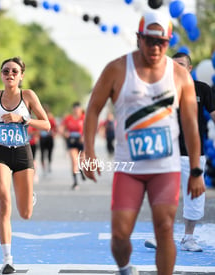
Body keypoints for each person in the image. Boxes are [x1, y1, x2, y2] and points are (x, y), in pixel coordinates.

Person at [82, 11, 205, 275]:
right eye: (150, 41)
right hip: (129, 168)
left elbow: (191, 125)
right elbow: (93, 109)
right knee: (120, 234)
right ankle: (126, 268)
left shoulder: (180, 76)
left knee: (164, 228)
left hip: (166, 167)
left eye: (162, 42)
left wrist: (196, 171)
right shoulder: (117, 69)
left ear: (169, 42)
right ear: (139, 39)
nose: (155, 47)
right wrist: (88, 152)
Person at [0, 56, 50, 274]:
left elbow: (47, 125)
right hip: (1, 152)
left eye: (14, 71)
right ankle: (7, 259)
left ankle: (29, 196)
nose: (10, 75)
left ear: (21, 75)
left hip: (23, 153)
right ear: (1, 74)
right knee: (3, 201)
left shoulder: (29, 95)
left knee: (25, 213)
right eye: (6, 71)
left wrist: (23, 120)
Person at [144, 52, 215, 252]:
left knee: (194, 197)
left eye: (181, 64)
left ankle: (188, 238)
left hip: (194, 154)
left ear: (189, 68)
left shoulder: (202, 89)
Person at [59, 102, 86, 190]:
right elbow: (61, 129)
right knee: (74, 161)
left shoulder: (84, 118)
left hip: (81, 142)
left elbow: (90, 129)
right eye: (75, 110)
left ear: (81, 110)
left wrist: (84, 136)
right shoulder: (68, 119)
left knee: (82, 161)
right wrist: (64, 133)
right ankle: (75, 182)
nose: (77, 111)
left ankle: (81, 170)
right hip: (71, 141)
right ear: (73, 110)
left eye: (78, 110)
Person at [39, 104, 57, 175]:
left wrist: (53, 133)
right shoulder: (39, 118)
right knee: (43, 153)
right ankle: (44, 167)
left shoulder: (51, 118)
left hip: (49, 137)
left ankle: (48, 165)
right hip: (42, 137)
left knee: (49, 152)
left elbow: (55, 128)